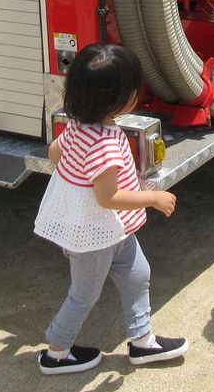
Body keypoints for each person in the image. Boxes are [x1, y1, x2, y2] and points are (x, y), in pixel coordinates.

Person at [33, 44, 188, 374]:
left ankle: (143, 341)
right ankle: (57, 352)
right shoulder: (104, 143)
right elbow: (107, 198)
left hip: (111, 231)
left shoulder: (78, 126)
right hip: (95, 235)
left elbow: (54, 153)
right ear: (117, 99)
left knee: (138, 275)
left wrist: (78, 178)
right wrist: (153, 198)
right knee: (84, 295)